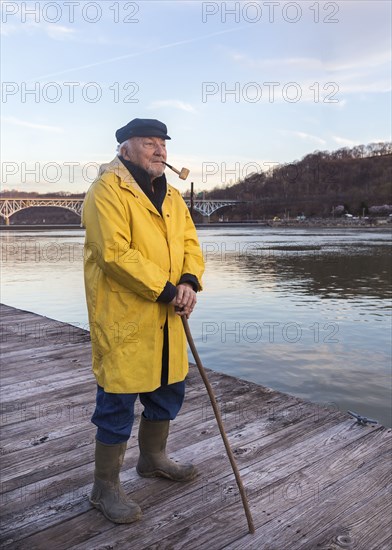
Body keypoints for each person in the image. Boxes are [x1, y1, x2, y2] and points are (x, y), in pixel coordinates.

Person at [82, 118, 205, 524]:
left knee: (168, 391)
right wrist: (169, 290)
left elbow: (190, 242)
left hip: (168, 316)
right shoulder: (106, 190)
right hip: (125, 318)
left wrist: (188, 281)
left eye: (163, 144)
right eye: (149, 143)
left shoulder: (171, 195)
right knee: (117, 400)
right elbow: (113, 254)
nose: (159, 151)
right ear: (125, 150)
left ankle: (152, 460)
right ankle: (105, 489)